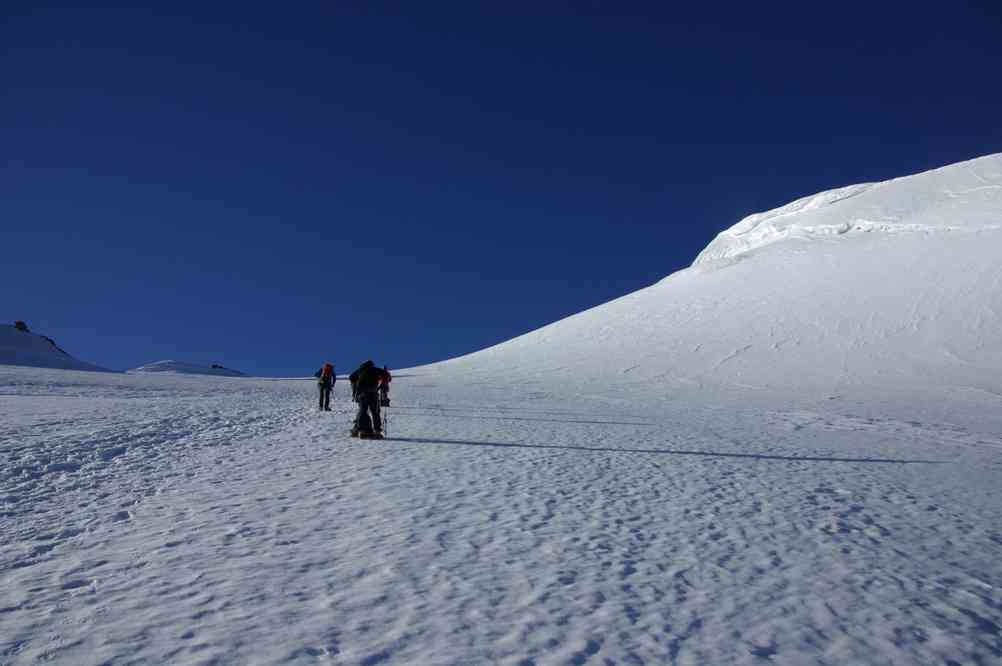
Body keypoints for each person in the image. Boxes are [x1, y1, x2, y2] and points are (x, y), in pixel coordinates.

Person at [349, 360, 390, 438]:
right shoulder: (375, 369)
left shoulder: (360, 370)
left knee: (363, 411)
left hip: (362, 394)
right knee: (375, 412)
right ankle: (377, 431)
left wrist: (356, 386)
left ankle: (362, 430)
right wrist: (381, 385)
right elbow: (386, 374)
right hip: (373, 393)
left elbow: (351, 377)